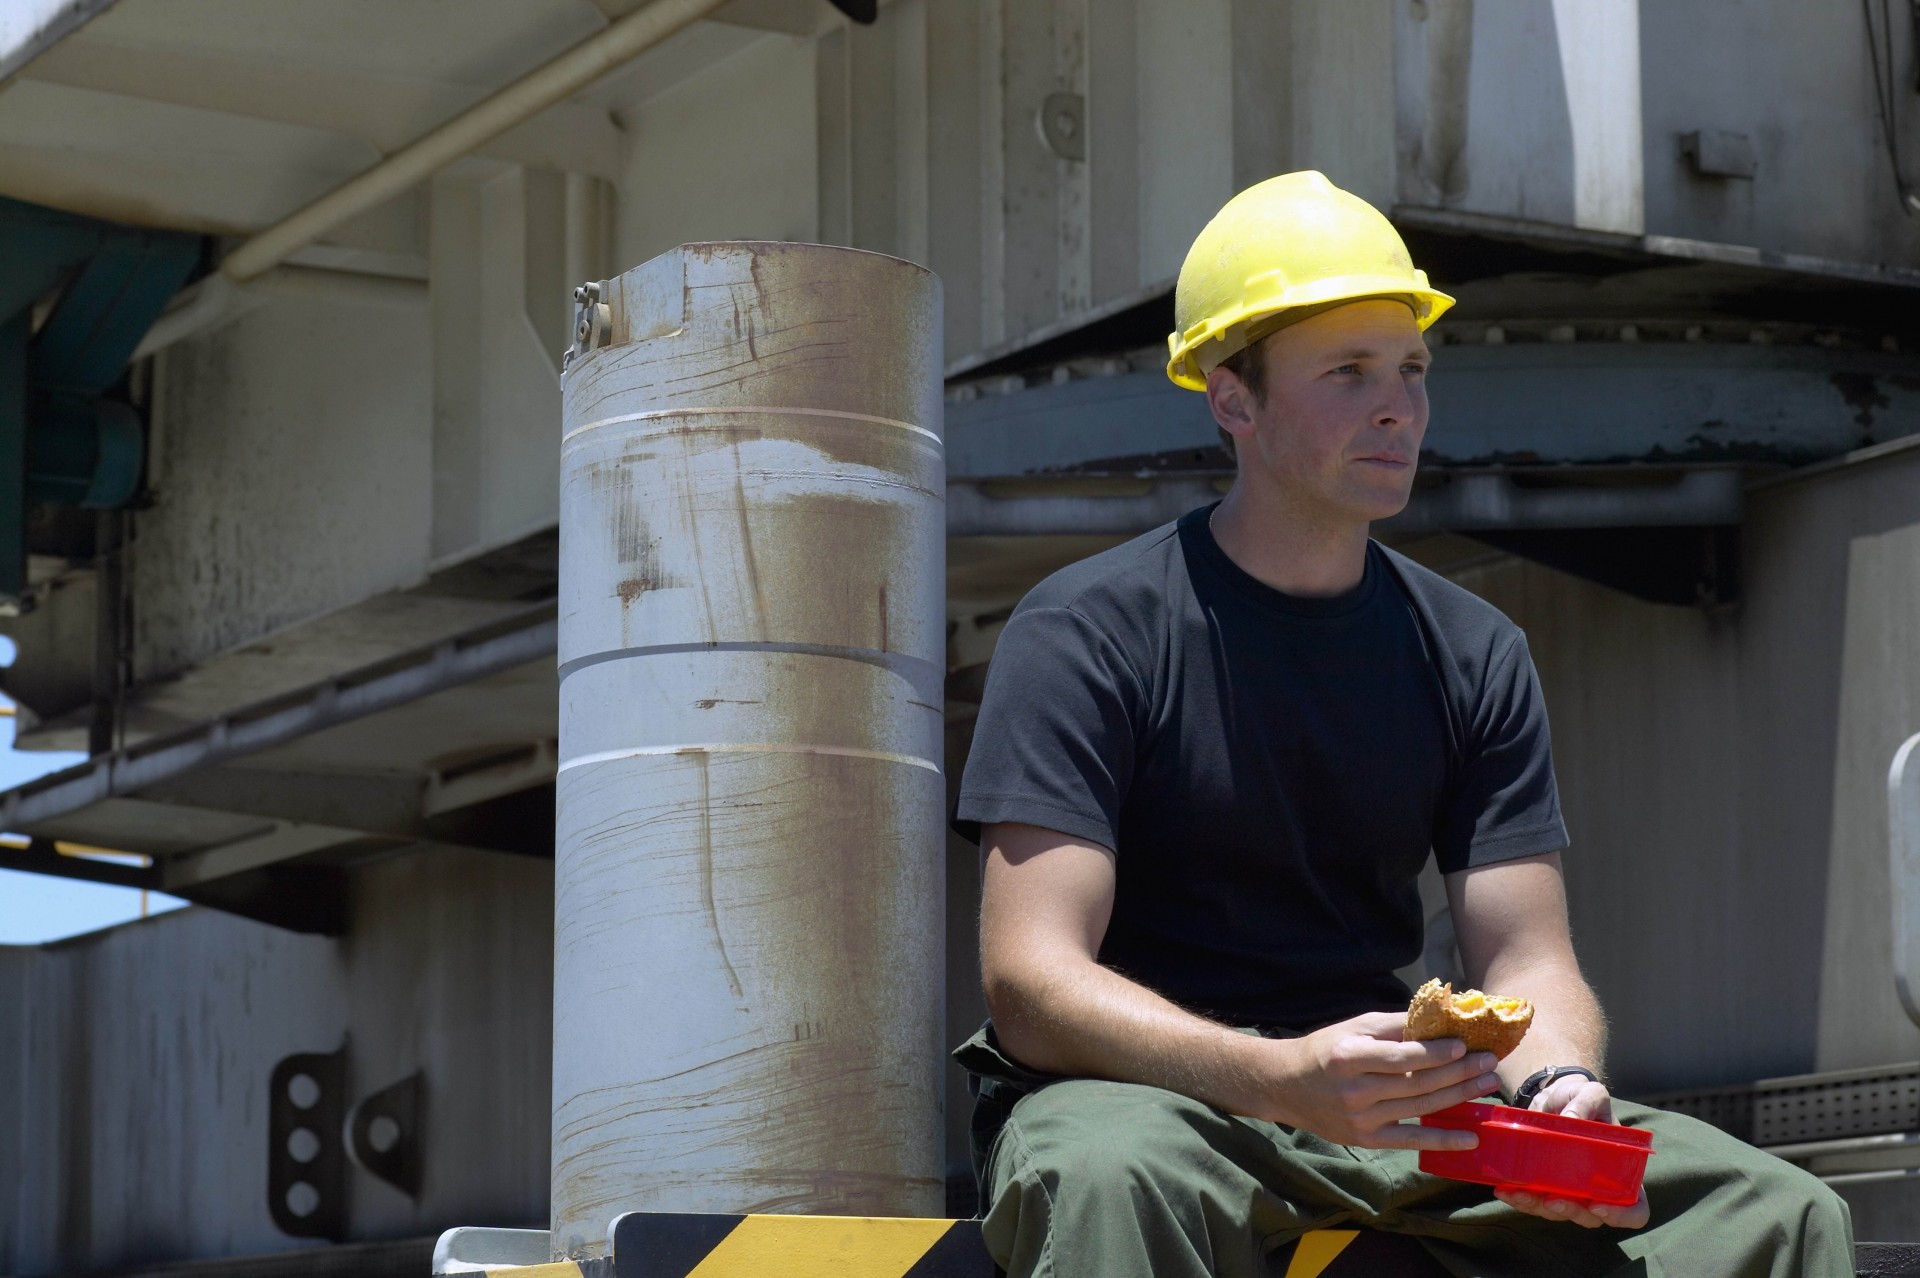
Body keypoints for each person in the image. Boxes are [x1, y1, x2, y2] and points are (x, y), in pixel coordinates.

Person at [951, 171, 1854, 1278]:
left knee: (1779, 1211)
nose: (1400, 407)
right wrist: (1276, 1075)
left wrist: (1555, 1083)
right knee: (1099, 1179)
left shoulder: (1471, 650)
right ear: (1232, 398)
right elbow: (1031, 986)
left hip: (1397, 1107)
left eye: (1413, 369)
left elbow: (1529, 958)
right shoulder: (1086, 632)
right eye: (1350, 374)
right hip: (1149, 1106)